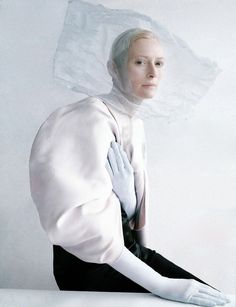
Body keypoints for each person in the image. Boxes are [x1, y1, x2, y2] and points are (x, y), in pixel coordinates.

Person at [29, 28, 229, 306]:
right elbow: (75, 220)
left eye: (159, 63)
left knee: (220, 300)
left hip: (127, 253)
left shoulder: (134, 125)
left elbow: (127, 222)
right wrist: (161, 284)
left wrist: (128, 200)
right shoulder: (88, 118)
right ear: (113, 67)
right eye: (140, 62)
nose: (152, 73)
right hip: (91, 265)